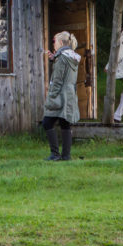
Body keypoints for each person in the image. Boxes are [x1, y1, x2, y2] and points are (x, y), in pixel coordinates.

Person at [42, 31, 81, 161]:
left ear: (60, 42)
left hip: (60, 93)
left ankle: (55, 154)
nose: (53, 44)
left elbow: (58, 79)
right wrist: (54, 59)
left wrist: (51, 95)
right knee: (65, 123)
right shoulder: (72, 57)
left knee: (47, 122)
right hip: (70, 93)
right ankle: (66, 155)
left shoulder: (62, 58)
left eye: (54, 41)